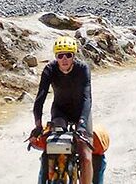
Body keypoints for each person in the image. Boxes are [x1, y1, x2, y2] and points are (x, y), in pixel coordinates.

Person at [32, 36, 94, 184]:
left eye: (68, 55)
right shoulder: (50, 69)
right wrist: (38, 125)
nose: (64, 59)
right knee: (51, 149)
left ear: (74, 56)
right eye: (60, 55)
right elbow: (40, 97)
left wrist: (82, 124)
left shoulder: (83, 69)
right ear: (56, 57)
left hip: (81, 112)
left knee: (85, 156)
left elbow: (87, 97)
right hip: (60, 111)